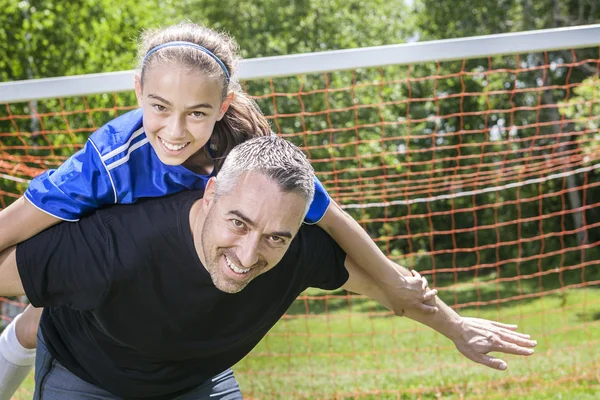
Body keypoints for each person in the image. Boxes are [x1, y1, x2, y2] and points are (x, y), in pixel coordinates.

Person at [0, 22, 437, 398]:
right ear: (138, 91)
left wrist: (392, 279)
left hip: (156, 284)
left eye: (197, 113)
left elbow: (329, 215)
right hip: (99, 274)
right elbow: (14, 225)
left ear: (223, 105)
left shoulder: (247, 151)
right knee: (37, 320)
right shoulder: (108, 163)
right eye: (159, 107)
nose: (174, 131)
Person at [0, 136, 536, 399]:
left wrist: (457, 327)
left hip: (194, 380)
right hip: (90, 375)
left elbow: (391, 289)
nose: (250, 253)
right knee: (38, 318)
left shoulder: (296, 250)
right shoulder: (114, 246)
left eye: (275, 236)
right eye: (238, 222)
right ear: (209, 196)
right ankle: (25, 333)